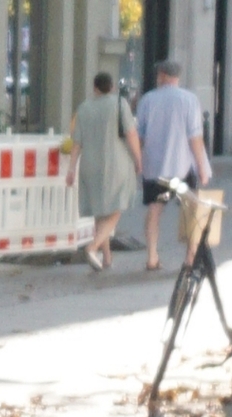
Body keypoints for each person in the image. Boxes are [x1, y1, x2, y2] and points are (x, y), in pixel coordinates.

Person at [134, 60, 211, 271]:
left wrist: (137, 161)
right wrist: (202, 167)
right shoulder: (189, 100)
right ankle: (190, 256)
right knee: (190, 211)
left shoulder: (147, 100)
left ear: (161, 75)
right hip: (182, 167)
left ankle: (152, 256)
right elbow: (195, 137)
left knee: (154, 211)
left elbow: (138, 135)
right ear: (177, 76)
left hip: (155, 168)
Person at [73, 72, 140, 270]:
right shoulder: (119, 104)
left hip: (89, 164)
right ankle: (92, 247)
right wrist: (138, 159)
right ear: (112, 87)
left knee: (100, 211)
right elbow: (131, 134)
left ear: (94, 88)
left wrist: (70, 169)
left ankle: (107, 257)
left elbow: (77, 142)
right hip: (115, 163)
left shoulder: (83, 108)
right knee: (117, 207)